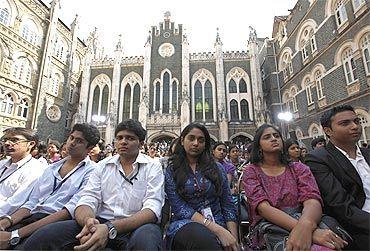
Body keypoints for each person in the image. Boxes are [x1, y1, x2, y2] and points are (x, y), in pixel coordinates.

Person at [23, 119, 165, 250]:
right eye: (120, 138)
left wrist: (109, 227)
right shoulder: (102, 166)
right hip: (99, 222)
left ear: (141, 144)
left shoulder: (153, 166)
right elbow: (87, 199)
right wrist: (89, 222)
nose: (123, 142)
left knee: (146, 242)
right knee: (45, 235)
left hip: (137, 225)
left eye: (130, 138)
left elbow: (152, 210)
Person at [243, 124, 347, 251]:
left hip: (306, 218)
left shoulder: (298, 168)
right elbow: (263, 208)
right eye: (267, 137)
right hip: (271, 227)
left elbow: (312, 200)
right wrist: (310, 232)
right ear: (259, 146)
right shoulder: (251, 171)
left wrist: (306, 226)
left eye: (277, 136)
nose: (274, 139)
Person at [0, 123, 100, 249]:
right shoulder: (51, 168)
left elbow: (68, 211)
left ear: (89, 148)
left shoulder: (93, 171)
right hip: (31, 217)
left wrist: (15, 235)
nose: (72, 143)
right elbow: (31, 203)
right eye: (71, 138)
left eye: (79, 141)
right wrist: (6, 221)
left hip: (56, 222)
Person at [305, 105, 370, 250]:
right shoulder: (318, 159)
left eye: (357, 121)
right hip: (358, 228)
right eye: (345, 123)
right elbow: (341, 207)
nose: (355, 126)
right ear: (328, 131)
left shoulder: (367, 153)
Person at [165, 123, 238, 250]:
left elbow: (227, 204)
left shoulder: (217, 168)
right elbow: (180, 208)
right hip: (186, 224)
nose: (195, 143)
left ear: (205, 144)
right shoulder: (172, 170)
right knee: (203, 239)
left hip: (219, 221)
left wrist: (233, 239)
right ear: (182, 141)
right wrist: (218, 230)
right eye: (191, 138)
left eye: (201, 140)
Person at [0, 128, 47, 206]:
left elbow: (15, 203)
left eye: (14, 140)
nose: (7, 143)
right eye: (5, 140)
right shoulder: (2, 163)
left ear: (31, 144)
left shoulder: (35, 170)